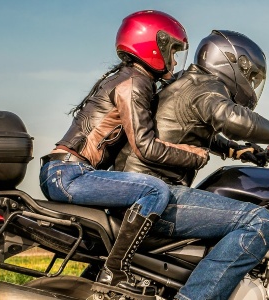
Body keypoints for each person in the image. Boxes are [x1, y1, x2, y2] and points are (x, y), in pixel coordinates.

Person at [114, 30, 269, 300]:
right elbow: (230, 118)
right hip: (157, 196)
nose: (251, 84)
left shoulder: (190, 84)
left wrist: (239, 150)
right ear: (232, 63)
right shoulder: (206, 86)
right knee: (258, 221)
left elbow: (188, 128)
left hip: (142, 191)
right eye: (251, 76)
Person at [38, 10, 208, 289]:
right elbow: (145, 147)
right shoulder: (134, 83)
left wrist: (234, 148)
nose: (175, 60)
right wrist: (194, 156)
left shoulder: (129, 78)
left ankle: (92, 283)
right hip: (70, 173)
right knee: (154, 190)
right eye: (173, 51)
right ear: (155, 45)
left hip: (63, 170)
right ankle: (115, 270)